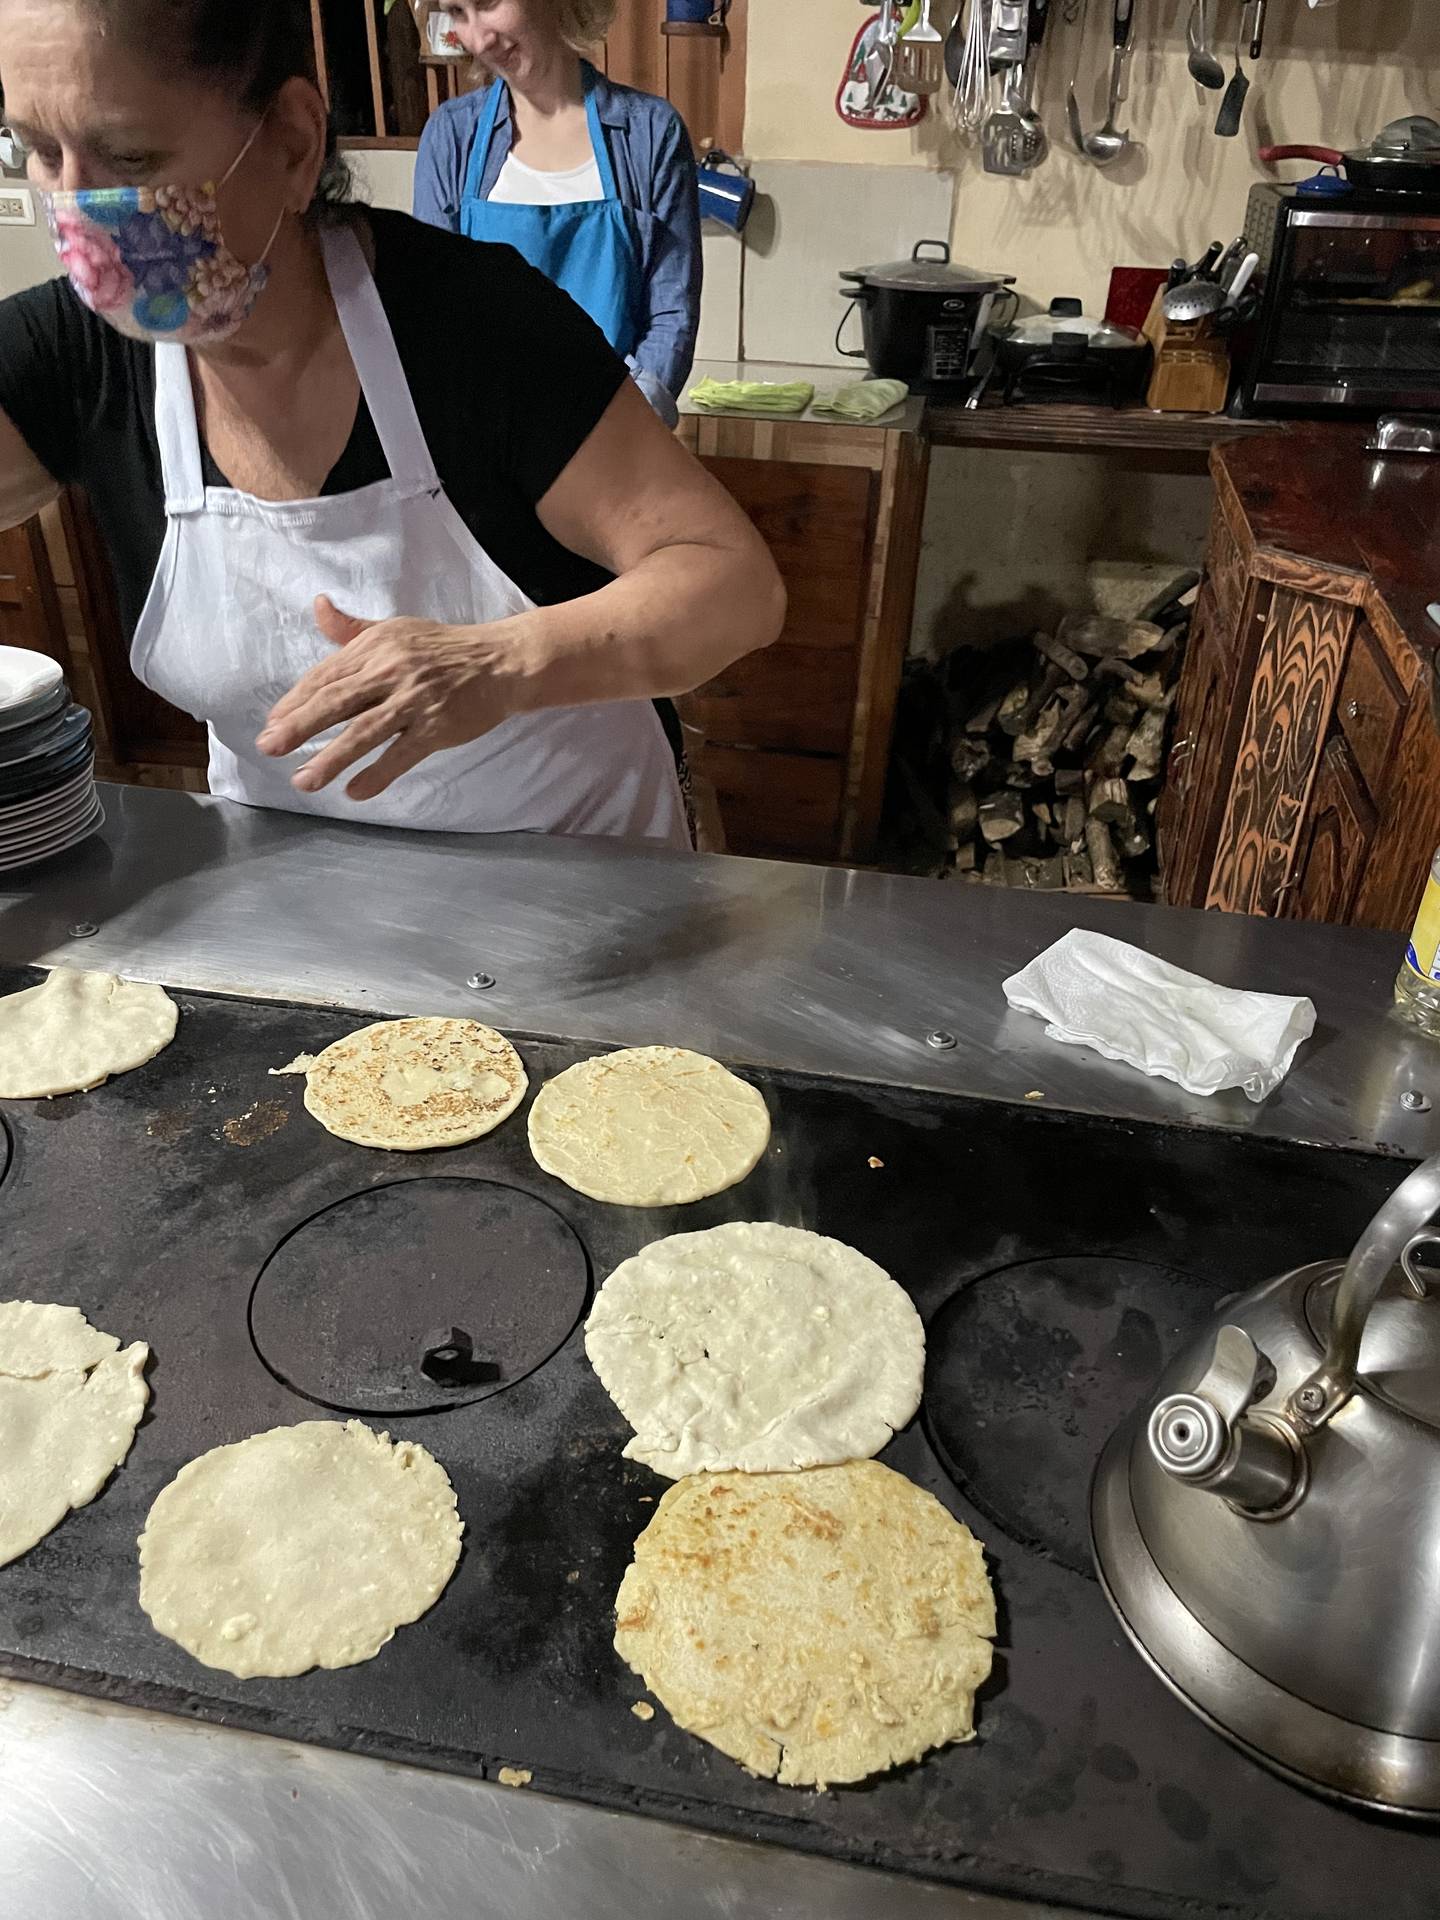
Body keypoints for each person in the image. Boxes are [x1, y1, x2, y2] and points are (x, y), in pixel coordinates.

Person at [0, 0, 781, 848]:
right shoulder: (77, 353)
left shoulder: (475, 324)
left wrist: (502, 663)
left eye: (127, 157)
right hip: (290, 896)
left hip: (578, 879)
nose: (76, 208)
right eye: (38, 150)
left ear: (293, 141)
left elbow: (736, 588)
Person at [413, 0, 699, 428]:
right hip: (487, 439)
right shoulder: (451, 136)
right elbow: (435, 316)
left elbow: (670, 315)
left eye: (488, 3)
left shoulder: (651, 133)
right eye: (457, 11)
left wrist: (616, 435)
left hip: (616, 438)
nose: (478, 39)